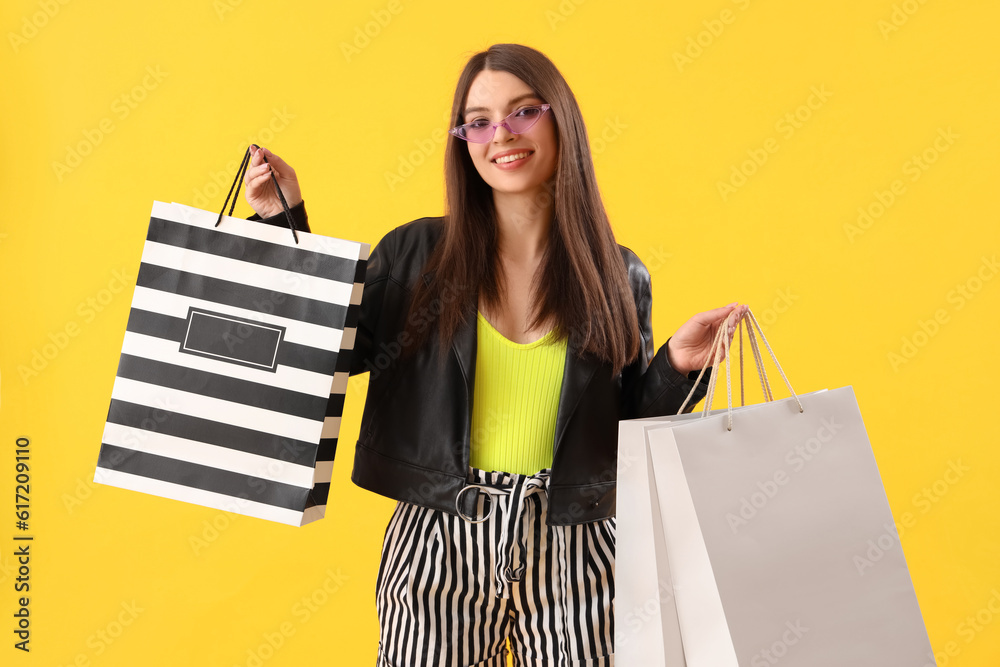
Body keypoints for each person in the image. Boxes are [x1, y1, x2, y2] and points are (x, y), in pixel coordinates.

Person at [245, 43, 747, 667]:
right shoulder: (414, 255)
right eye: (478, 121)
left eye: (523, 111)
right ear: (463, 141)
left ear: (560, 117)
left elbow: (623, 433)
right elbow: (326, 349)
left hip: (578, 540)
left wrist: (678, 366)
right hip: (439, 535)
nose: (500, 134)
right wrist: (281, 220)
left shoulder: (618, 272)